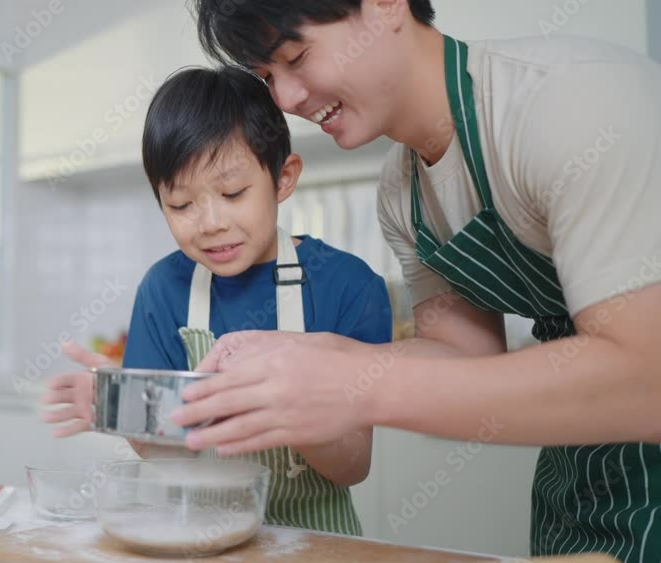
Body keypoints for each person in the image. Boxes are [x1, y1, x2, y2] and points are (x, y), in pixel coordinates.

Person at [174, 0, 661, 560]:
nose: (284, 100)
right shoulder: (402, 193)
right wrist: (318, 357)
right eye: (266, 77)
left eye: (297, 57)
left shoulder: (565, 104)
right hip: (581, 483)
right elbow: (468, 362)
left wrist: (355, 387)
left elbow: (647, 380)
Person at [42, 66, 393, 534]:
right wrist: (123, 416)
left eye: (232, 193)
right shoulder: (163, 290)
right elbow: (170, 454)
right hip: (197, 538)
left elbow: (354, 465)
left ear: (283, 178)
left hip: (316, 544)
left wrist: (290, 409)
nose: (209, 223)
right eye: (181, 205)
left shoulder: (348, 286)